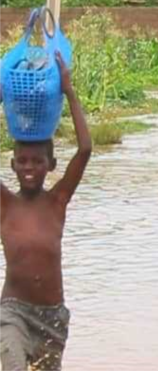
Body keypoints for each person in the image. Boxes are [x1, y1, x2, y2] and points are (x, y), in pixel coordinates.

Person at [0, 53, 91, 371]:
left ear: (50, 165)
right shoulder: (5, 205)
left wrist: (68, 90)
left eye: (37, 161)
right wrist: (1, 97)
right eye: (22, 161)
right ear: (12, 165)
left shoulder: (57, 201)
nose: (29, 168)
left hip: (52, 316)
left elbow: (85, 149)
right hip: (12, 312)